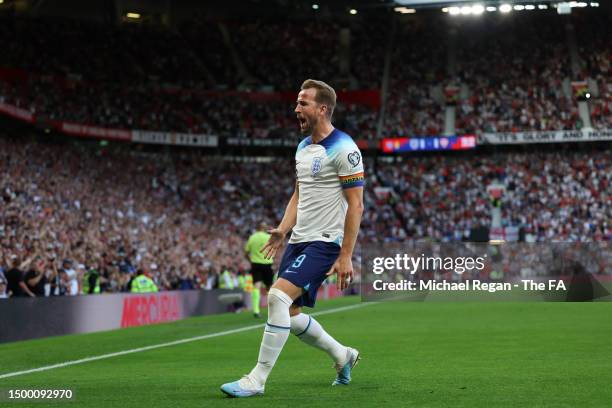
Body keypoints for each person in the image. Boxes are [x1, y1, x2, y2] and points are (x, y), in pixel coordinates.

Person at [221, 79, 365, 397]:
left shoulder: (345, 148)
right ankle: (343, 355)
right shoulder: (302, 148)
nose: (296, 108)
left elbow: (356, 204)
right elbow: (299, 195)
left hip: (325, 241)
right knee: (290, 313)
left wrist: (345, 255)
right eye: (297, 102)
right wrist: (283, 230)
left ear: (322, 109)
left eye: (303, 103)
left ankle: (256, 379)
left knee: (276, 298)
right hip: (299, 239)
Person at [245, 223, 274, 318]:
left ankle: (256, 310)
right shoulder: (268, 237)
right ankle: (273, 309)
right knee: (269, 287)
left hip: (255, 264)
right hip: (267, 263)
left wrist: (250, 260)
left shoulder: (252, 238)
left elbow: (246, 251)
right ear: (264, 228)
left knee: (256, 286)